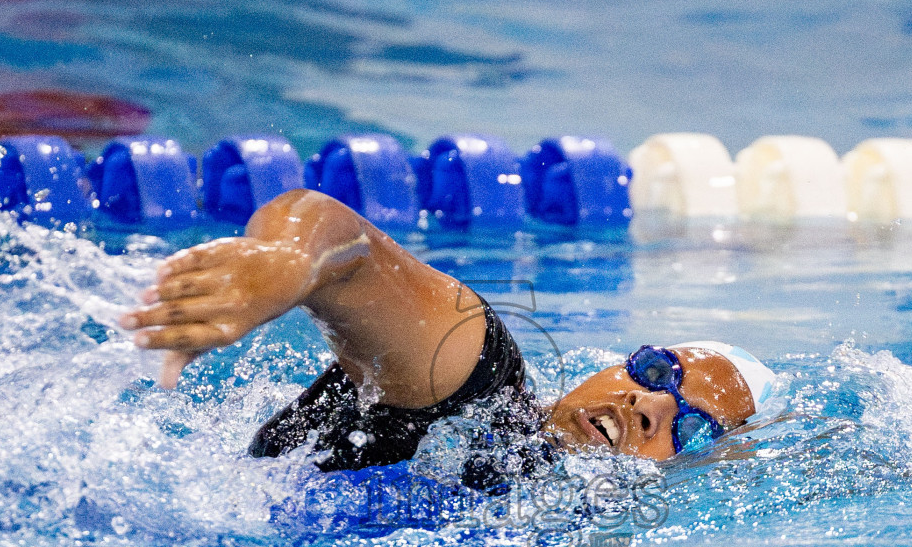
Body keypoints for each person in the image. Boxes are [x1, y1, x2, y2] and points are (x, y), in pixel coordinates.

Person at [118, 189, 779, 479]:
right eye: (658, 373)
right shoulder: (477, 383)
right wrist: (287, 266)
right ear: (615, 366)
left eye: (689, 428)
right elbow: (338, 237)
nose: (649, 406)